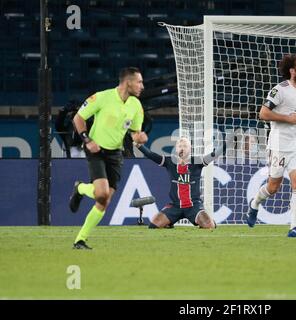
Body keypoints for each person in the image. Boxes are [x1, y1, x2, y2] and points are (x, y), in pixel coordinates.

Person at [69, 67, 148, 249]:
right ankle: (79, 188)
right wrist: (86, 139)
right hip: (95, 149)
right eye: (139, 82)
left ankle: (80, 240)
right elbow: (78, 118)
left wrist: (139, 137)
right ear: (128, 82)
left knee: (104, 200)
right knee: (102, 193)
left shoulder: (136, 105)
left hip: (115, 154)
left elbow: (135, 133)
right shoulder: (102, 97)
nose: (142, 86)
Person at [246, 54, 296, 237]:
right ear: (292, 71)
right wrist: (287, 118)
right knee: (273, 187)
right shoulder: (280, 90)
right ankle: (255, 203)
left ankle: (294, 227)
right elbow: (263, 113)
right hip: (279, 144)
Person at [136, 137, 221, 229]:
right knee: (153, 225)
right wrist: (138, 145)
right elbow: (151, 154)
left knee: (209, 226)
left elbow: (214, 155)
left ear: (190, 148)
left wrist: (228, 142)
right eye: (180, 146)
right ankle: (169, 223)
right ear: (176, 149)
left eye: (185, 146)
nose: (182, 148)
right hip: (176, 206)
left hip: (193, 206)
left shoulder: (197, 161)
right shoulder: (170, 162)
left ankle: (210, 221)